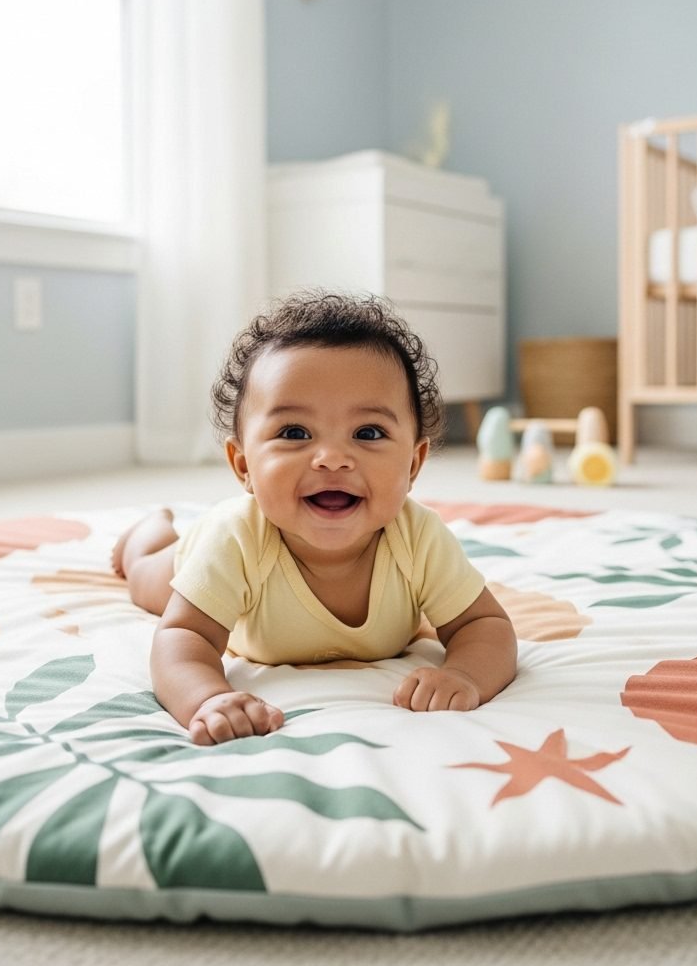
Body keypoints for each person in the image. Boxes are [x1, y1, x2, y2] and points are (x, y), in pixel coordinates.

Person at [113, 291, 517, 745]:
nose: (331, 459)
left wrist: (465, 674)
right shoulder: (236, 539)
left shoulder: (418, 537)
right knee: (145, 580)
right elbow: (183, 636)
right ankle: (146, 534)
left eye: (368, 433)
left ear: (413, 465)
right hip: (195, 557)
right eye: (294, 433)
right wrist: (207, 697)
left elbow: (487, 626)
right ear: (243, 465)